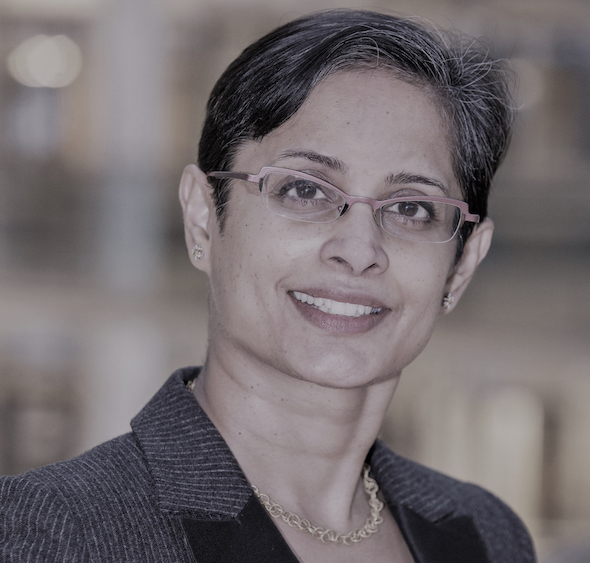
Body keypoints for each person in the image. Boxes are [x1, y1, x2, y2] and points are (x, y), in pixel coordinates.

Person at [0, 9, 536, 563]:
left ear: (462, 265)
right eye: (304, 190)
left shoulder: (488, 537)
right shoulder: (54, 533)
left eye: (410, 208)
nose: (359, 250)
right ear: (203, 219)